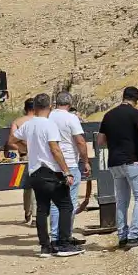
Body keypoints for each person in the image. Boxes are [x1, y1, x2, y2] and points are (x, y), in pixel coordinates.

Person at [12, 93, 82, 258]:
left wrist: (26, 148)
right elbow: (55, 149)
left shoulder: (28, 125)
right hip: (51, 171)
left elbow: (12, 140)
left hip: (35, 171)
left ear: (35, 107)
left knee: (42, 209)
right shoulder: (50, 124)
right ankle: (63, 244)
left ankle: (45, 247)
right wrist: (66, 171)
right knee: (66, 206)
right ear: (50, 107)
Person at [96, 86, 138, 250]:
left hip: (114, 163)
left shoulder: (108, 115)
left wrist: (115, 141)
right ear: (136, 100)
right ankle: (134, 236)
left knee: (121, 201)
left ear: (123, 96)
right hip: (132, 162)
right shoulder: (135, 114)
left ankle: (122, 236)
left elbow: (100, 141)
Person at [47, 92, 91, 245]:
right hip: (70, 163)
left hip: (53, 164)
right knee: (69, 202)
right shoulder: (71, 118)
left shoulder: (49, 117)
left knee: (55, 203)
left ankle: (55, 237)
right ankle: (65, 236)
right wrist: (86, 161)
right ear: (70, 104)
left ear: (56, 103)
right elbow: (80, 141)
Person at [6, 97, 36, 224]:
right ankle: (35, 215)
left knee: (27, 186)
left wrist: (21, 148)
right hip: (39, 156)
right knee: (37, 186)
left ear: (25, 109)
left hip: (24, 156)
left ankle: (28, 211)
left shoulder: (18, 122)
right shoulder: (41, 121)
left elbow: (10, 142)